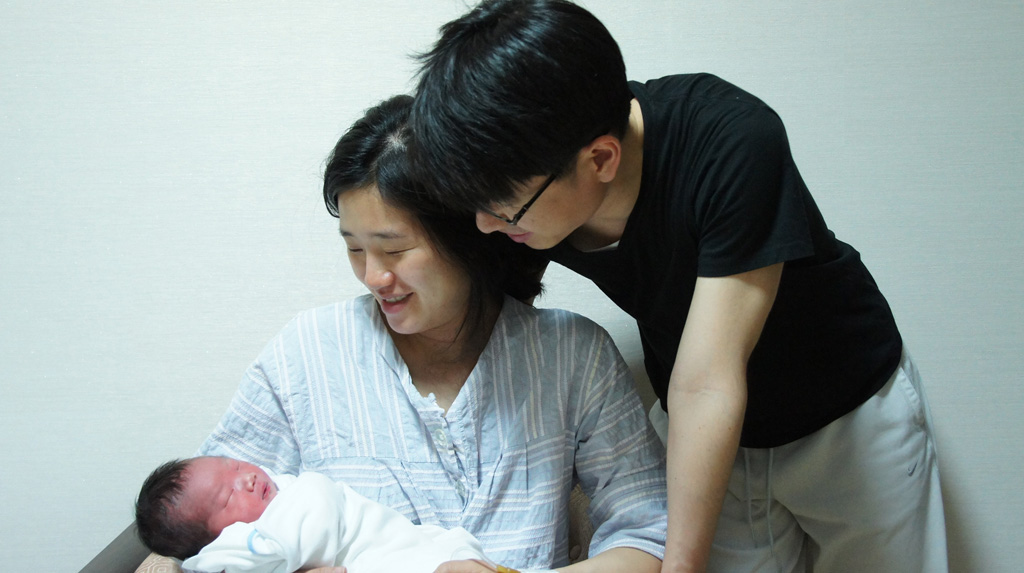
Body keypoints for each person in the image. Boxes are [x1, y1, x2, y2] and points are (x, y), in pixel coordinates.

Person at [406, 1, 948, 572]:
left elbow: (708, 380)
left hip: (844, 414)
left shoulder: (730, 141)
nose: (486, 225)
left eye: (504, 209)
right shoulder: (526, 181)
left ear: (601, 159)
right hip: (707, 434)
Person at [193, 94, 667, 573]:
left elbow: (651, 532)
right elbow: (194, 527)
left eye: (394, 249)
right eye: (355, 249)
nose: (373, 276)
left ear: (470, 236)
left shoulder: (573, 356)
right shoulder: (307, 352)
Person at [134, 455, 490, 573]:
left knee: (453, 550)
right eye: (228, 496)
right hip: (385, 561)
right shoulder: (242, 546)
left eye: (235, 465)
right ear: (217, 537)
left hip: (419, 543)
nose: (247, 478)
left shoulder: (288, 489)